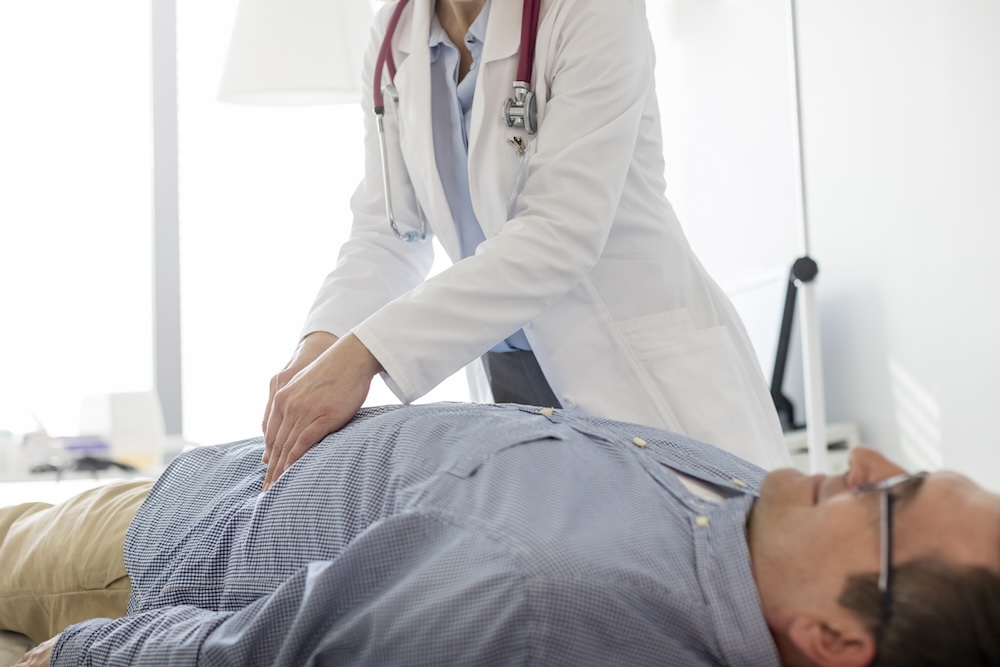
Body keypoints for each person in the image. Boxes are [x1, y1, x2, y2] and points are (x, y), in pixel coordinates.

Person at [5, 403, 999, 667]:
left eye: (893, 500)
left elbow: (265, 654)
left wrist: (89, 652)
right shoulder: (753, 507)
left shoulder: (539, 598)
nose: (866, 462)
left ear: (831, 635)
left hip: (148, 558)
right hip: (220, 480)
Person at [260, 0, 791, 491]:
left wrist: (365, 353)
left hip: (640, 375)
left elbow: (559, 232)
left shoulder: (588, 9)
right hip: (512, 387)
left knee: (718, 575)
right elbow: (388, 233)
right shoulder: (394, 34)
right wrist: (317, 351)